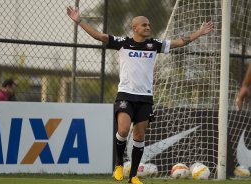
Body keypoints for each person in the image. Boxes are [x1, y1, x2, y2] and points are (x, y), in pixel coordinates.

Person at [67, 6, 213, 184]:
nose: (147, 27)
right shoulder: (122, 43)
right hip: (125, 95)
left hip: (145, 98)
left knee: (139, 136)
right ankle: (119, 164)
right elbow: (100, 36)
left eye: (148, 25)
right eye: (144, 25)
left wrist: (200, 32)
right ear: (134, 28)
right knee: (122, 129)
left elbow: (180, 42)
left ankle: (133, 176)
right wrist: (79, 20)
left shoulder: (154, 45)